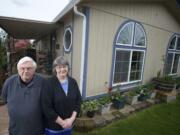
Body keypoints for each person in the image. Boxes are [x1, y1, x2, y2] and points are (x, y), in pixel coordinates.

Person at [1, 56, 45, 135]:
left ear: (34, 69)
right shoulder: (9, 82)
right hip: (15, 131)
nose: (25, 71)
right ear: (18, 70)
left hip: (37, 131)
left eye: (29, 68)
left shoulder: (43, 82)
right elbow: (4, 99)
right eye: (22, 68)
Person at [41, 56, 81, 134]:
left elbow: (78, 101)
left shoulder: (73, 82)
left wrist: (71, 119)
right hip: (53, 128)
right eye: (59, 67)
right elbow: (46, 108)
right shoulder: (48, 83)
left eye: (64, 66)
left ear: (68, 68)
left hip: (69, 125)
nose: (62, 69)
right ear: (55, 69)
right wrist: (62, 123)